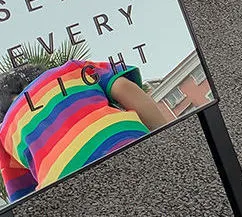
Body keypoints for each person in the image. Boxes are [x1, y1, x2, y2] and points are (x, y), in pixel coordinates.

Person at [0, 59, 167, 203]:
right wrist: (166, 133)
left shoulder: (4, 133)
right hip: (121, 142)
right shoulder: (71, 69)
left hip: (68, 188)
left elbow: (25, 201)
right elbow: (122, 86)